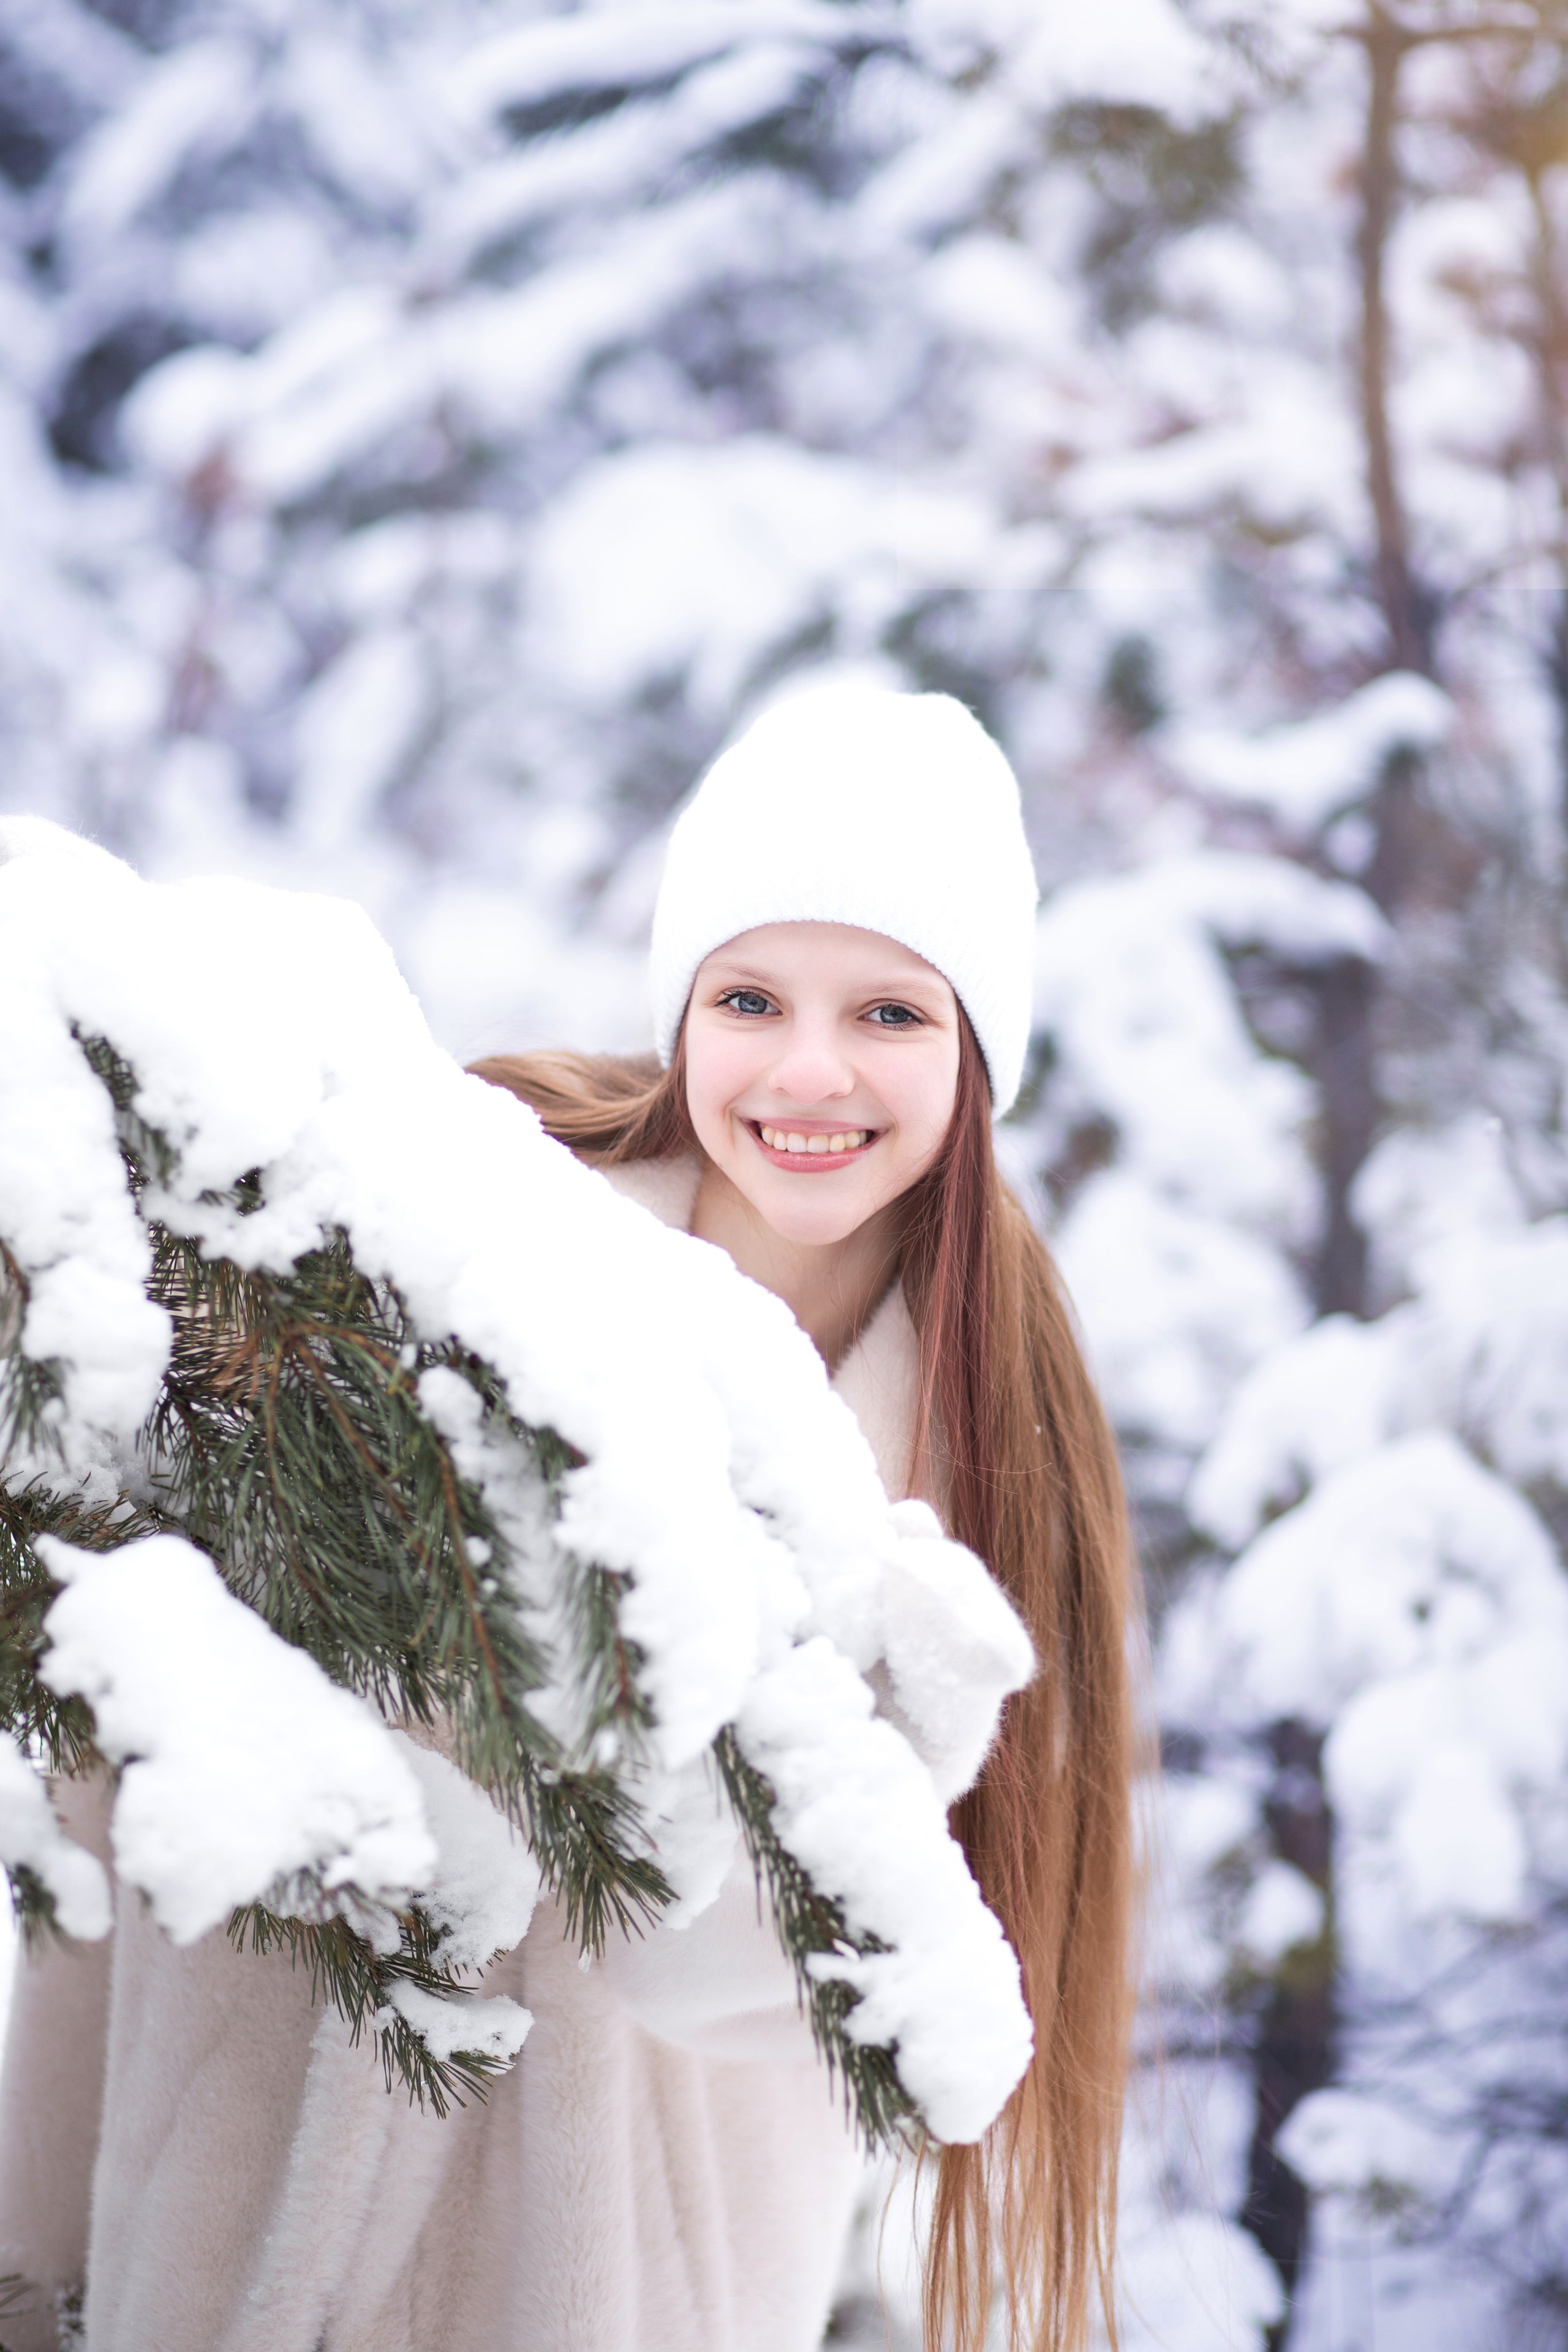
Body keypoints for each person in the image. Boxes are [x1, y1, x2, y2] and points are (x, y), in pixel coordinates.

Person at [0, 682, 1135, 2352]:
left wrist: (905, 1717)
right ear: (684, 1011)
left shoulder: (988, 1437)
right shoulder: (465, 1216)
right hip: (247, 2197)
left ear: (977, 1052)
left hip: (627, 2280)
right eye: (752, 996)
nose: (811, 1070)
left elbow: (743, 1982)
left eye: (891, 1013)